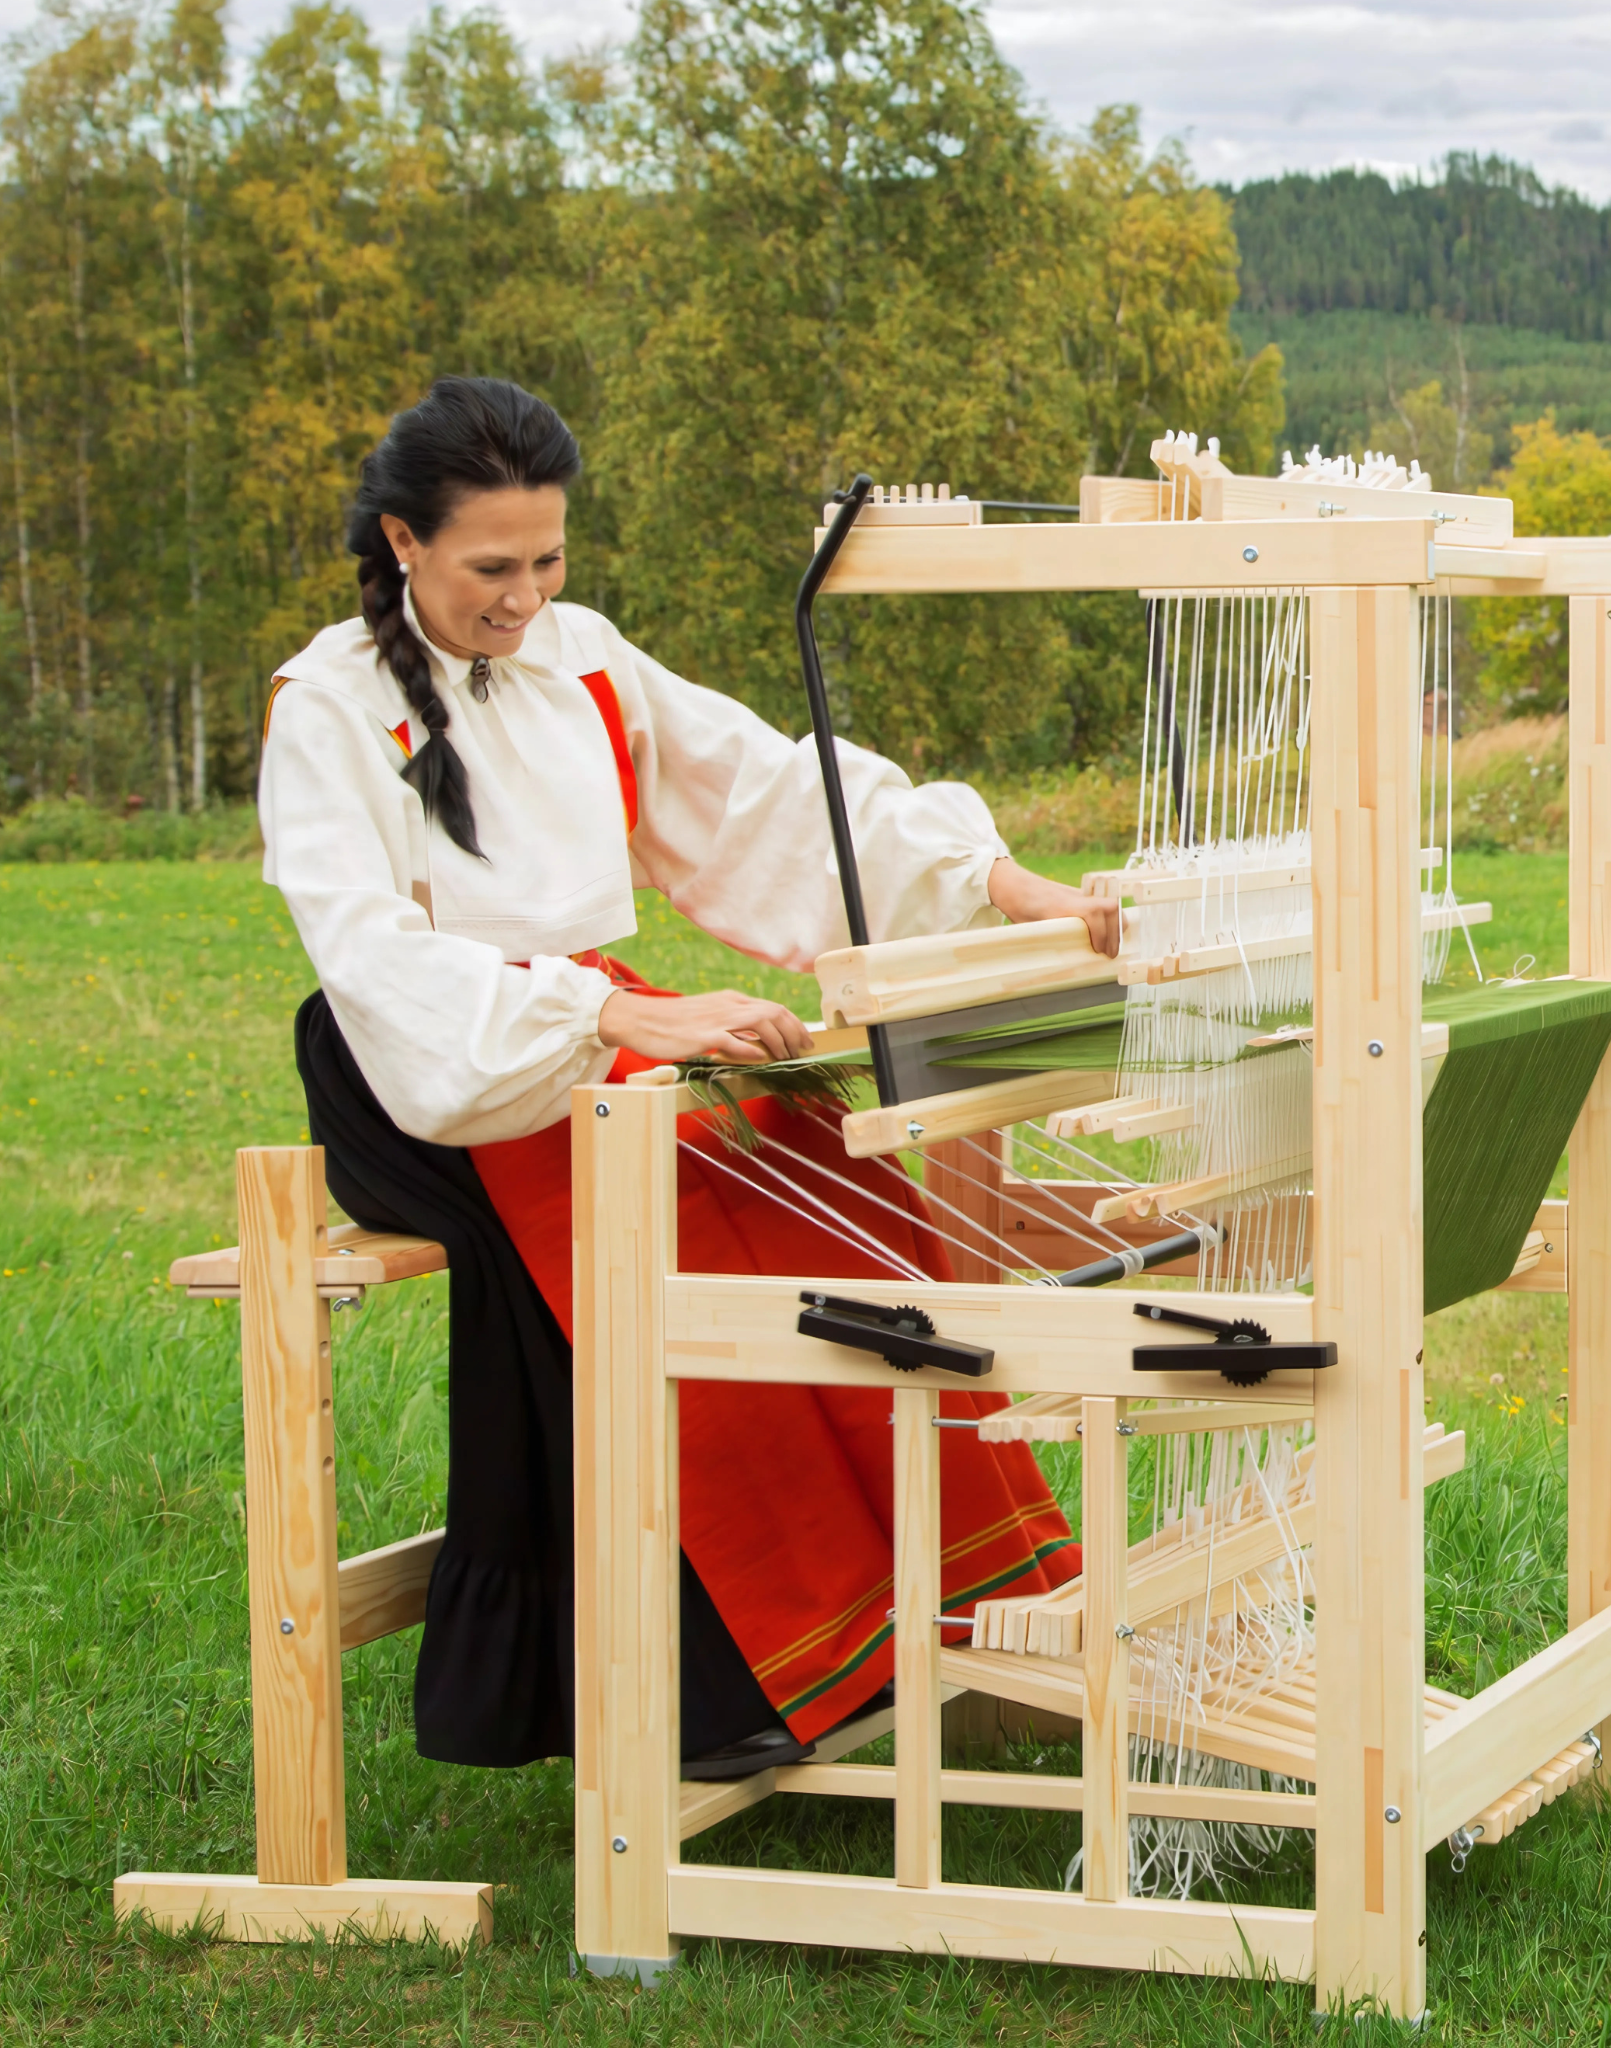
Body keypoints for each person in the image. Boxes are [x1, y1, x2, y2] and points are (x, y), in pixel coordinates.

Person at [258, 376, 1118, 1777]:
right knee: (671, 1226)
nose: (524, 595)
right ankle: (746, 1672)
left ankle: (944, 1605)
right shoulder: (330, 707)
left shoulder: (584, 659)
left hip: (591, 1022)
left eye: (547, 559)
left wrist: (1005, 883)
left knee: (823, 1162)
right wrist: (616, 1022)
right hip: (431, 1059)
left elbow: (769, 798)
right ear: (402, 541)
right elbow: (375, 961)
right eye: (491, 566)